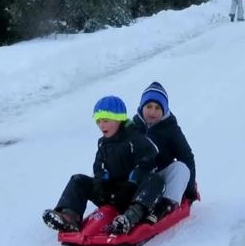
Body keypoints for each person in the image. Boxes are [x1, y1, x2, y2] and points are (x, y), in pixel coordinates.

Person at [42, 96, 165, 235]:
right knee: (78, 180)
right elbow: (99, 168)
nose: (101, 125)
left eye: (106, 121)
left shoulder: (135, 139)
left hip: (132, 195)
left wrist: (132, 183)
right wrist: (100, 185)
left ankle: (130, 217)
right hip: (110, 193)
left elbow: (148, 161)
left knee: (155, 180)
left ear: (119, 119)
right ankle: (69, 216)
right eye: (98, 121)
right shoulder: (103, 144)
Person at [131, 82, 197, 222]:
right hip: (139, 177)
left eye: (157, 108)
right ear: (142, 107)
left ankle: (166, 205)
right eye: (149, 107)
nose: (152, 112)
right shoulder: (133, 127)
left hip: (161, 177)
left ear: (164, 110)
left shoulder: (171, 129)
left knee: (181, 167)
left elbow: (187, 157)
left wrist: (189, 188)